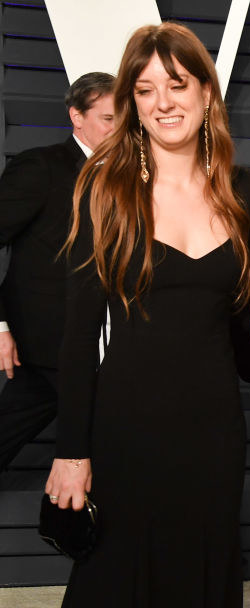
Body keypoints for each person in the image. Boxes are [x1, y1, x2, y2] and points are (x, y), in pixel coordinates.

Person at [43, 22, 250, 608]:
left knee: (200, 582)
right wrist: (71, 450)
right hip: (125, 432)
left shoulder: (244, 190)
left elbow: (245, 319)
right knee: (114, 591)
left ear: (207, 93)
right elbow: (77, 332)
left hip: (210, 433)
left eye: (177, 84)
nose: (163, 101)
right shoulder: (106, 186)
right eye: (145, 89)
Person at [0, 72, 114, 473]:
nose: (118, 131)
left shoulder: (133, 180)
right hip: (47, 348)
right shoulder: (41, 167)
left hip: (111, 352)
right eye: (108, 119)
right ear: (76, 117)